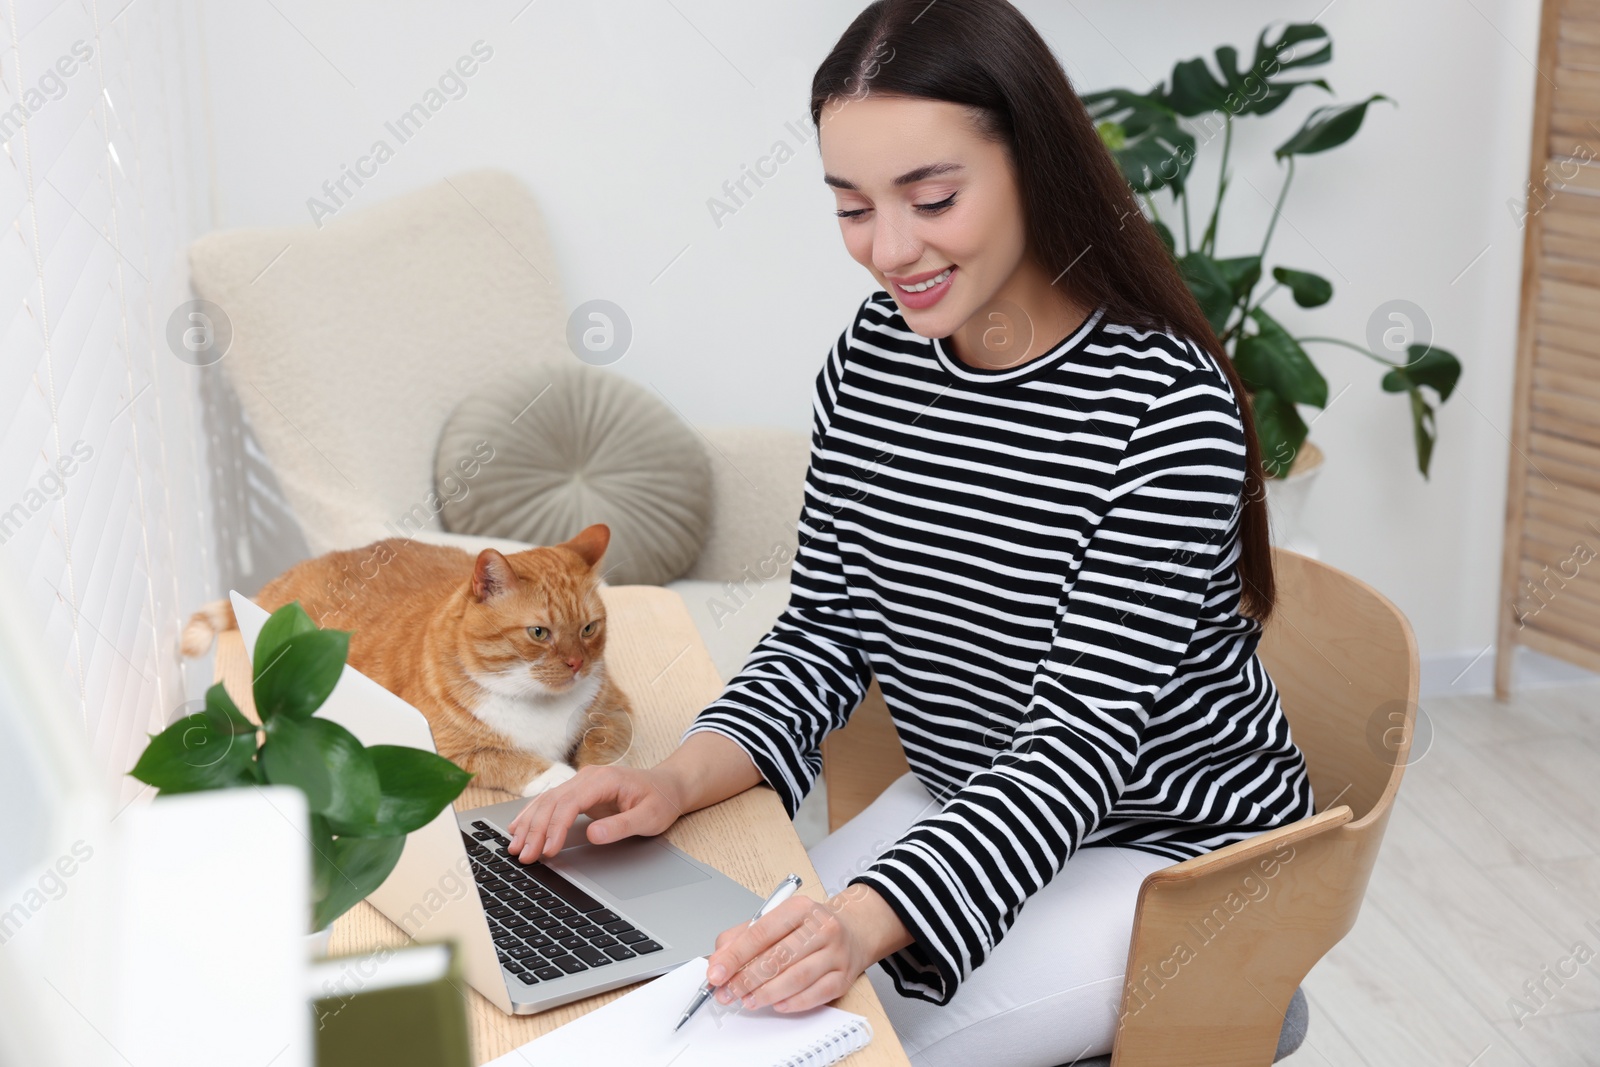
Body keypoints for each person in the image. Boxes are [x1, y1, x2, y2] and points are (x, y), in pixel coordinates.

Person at [507, 1, 1317, 1062]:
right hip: (969, 797)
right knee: (698, 987)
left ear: (1034, 163)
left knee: (826, 1040)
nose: (889, 250)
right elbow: (824, 630)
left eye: (931, 197)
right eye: (851, 207)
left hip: (1176, 855)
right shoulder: (876, 355)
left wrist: (861, 918)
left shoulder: (1163, 411)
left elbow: (1074, 743)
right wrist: (678, 775)